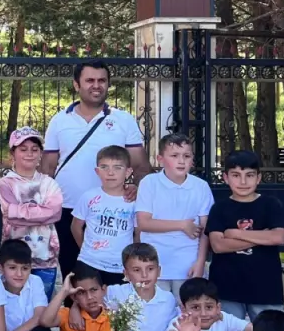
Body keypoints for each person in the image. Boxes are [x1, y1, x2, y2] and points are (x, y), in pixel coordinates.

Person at [41, 60, 150, 278]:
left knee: (115, 279)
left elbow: (140, 166)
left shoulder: (123, 120)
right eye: (90, 80)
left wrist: (139, 189)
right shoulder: (59, 121)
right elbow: (48, 167)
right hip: (68, 210)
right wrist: (44, 207)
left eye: (102, 80)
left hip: (113, 213)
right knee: (75, 278)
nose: (96, 85)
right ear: (76, 84)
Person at [205, 150, 284, 320]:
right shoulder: (219, 208)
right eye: (236, 175)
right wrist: (263, 237)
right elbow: (218, 245)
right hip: (227, 287)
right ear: (226, 178)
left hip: (265, 287)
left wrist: (235, 233)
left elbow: (278, 237)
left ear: (258, 178)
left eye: (249, 175)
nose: (243, 182)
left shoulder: (271, 205)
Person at [135, 133, 213, 293]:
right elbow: (144, 223)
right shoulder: (149, 183)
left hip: (188, 266)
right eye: (174, 155)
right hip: (153, 266)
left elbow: (206, 230)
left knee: (187, 307)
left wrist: (200, 262)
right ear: (160, 159)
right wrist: (182, 225)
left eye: (186, 156)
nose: (181, 161)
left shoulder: (201, 187)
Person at [0, 126, 63, 297]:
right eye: (23, 149)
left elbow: (55, 213)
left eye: (34, 149)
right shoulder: (5, 183)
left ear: (40, 153)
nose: (29, 154)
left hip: (45, 258)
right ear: (13, 153)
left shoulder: (49, 183)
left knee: (42, 305)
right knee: (13, 304)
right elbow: (11, 215)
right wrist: (42, 213)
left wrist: (19, 211)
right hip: (14, 259)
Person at [69, 145, 137, 287]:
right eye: (104, 167)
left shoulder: (134, 202)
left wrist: (131, 259)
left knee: (117, 300)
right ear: (97, 171)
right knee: (86, 299)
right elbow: (76, 227)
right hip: (89, 262)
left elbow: (138, 233)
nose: (110, 173)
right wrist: (86, 251)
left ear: (128, 172)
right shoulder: (89, 196)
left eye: (117, 167)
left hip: (119, 266)